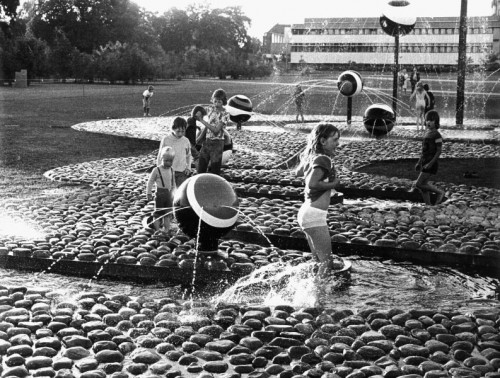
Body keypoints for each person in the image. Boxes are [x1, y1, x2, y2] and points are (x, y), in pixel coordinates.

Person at [296, 122, 343, 276]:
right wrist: (334, 183)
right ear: (323, 141)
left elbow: (299, 173)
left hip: (306, 212)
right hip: (315, 215)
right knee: (326, 263)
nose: (338, 143)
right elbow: (312, 183)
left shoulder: (314, 158)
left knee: (317, 260)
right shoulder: (324, 159)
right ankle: (318, 298)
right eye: (335, 140)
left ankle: (311, 293)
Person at [196, 88, 230, 175]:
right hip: (207, 142)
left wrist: (201, 120)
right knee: (201, 167)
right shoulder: (211, 110)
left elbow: (216, 130)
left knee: (215, 170)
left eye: (219, 102)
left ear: (223, 102)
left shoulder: (225, 114)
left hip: (217, 144)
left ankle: (214, 186)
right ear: (212, 100)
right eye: (215, 101)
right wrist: (200, 137)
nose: (216, 104)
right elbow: (207, 126)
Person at [415, 110, 445, 206]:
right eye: (427, 120)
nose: (428, 122)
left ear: (436, 122)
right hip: (425, 161)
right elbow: (424, 151)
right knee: (423, 186)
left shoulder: (437, 135)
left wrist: (431, 163)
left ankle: (439, 192)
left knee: (418, 184)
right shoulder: (427, 133)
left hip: (431, 163)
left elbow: (439, 151)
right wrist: (419, 162)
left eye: (431, 120)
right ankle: (428, 205)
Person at [147, 147, 176, 232]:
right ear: (161, 159)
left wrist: (175, 192)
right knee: (158, 213)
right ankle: (157, 229)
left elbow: (173, 182)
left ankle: (166, 229)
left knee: (167, 213)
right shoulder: (156, 170)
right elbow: (150, 181)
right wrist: (149, 193)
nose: (168, 163)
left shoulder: (171, 170)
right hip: (160, 193)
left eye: (170, 161)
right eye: (166, 160)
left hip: (169, 194)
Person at [157, 117, 192, 187]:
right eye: (178, 131)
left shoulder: (186, 141)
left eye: (183, 131)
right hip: (168, 171)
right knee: (168, 191)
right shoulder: (166, 140)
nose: (180, 134)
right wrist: (159, 169)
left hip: (181, 172)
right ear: (173, 128)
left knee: (180, 191)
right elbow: (160, 156)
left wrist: (188, 168)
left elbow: (188, 156)